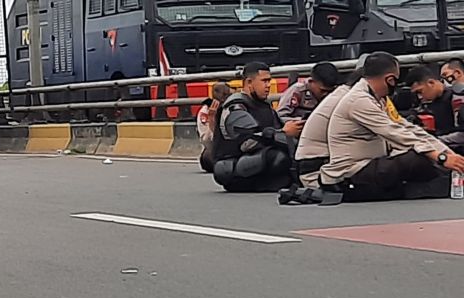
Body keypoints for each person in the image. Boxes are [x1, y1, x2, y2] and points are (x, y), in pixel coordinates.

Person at [321, 52, 464, 202]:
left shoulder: (375, 98)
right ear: (390, 79)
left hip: (365, 166)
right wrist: (441, 158)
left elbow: (408, 128)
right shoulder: (359, 100)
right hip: (350, 173)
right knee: (416, 157)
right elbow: (396, 134)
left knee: (420, 154)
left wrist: (447, 153)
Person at [211, 62, 303, 192]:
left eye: (269, 81)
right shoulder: (235, 105)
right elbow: (249, 138)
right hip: (235, 163)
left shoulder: (265, 106)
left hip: (256, 157)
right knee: (277, 156)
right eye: (264, 81)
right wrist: (283, 132)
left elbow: (278, 128)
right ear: (249, 82)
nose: (268, 85)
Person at [408, 66, 464, 150]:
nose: (419, 97)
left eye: (420, 91)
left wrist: (435, 140)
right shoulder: (423, 105)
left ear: (431, 83)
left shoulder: (458, 98)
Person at [196, 82, 233, 173]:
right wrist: (212, 120)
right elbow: (207, 141)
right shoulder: (205, 112)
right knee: (207, 157)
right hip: (217, 145)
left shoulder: (235, 107)